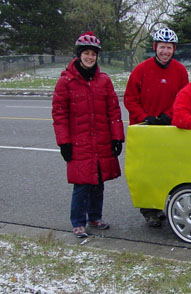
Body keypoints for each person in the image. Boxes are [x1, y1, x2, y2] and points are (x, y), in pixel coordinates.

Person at [52, 31, 125, 238]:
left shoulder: (104, 80)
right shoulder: (66, 81)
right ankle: (78, 222)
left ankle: (95, 216)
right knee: (82, 183)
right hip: (79, 142)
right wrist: (64, 142)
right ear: (79, 54)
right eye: (86, 53)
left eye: (93, 54)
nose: (89, 57)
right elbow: (59, 114)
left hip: (101, 140)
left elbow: (113, 111)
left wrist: (116, 137)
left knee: (98, 181)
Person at [124, 27, 189, 227]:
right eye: (162, 47)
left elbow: (184, 97)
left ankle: (165, 203)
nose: (165, 52)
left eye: (169, 48)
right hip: (145, 128)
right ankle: (149, 209)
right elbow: (130, 99)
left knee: (168, 168)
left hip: (168, 127)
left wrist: (167, 115)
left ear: (173, 49)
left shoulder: (179, 70)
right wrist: (145, 117)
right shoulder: (141, 70)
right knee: (147, 170)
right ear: (155, 48)